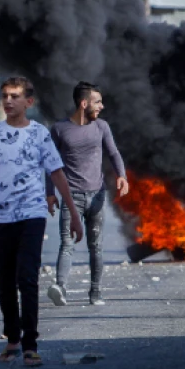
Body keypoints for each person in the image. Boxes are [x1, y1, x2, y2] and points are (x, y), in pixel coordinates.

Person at [0, 77, 83, 367]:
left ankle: (30, 344)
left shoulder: (39, 134)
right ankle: (12, 337)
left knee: (28, 278)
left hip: (32, 215)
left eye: (15, 96)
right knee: (4, 282)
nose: (9, 101)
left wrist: (73, 213)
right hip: (1, 217)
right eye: (5, 96)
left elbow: (57, 173)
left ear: (28, 102)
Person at [43, 82, 127, 307]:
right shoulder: (59, 129)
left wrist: (122, 176)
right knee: (67, 244)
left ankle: (96, 292)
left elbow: (114, 153)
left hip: (97, 196)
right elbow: (50, 164)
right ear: (83, 103)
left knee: (96, 246)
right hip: (71, 197)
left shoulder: (101, 127)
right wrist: (50, 193)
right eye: (97, 102)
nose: (102, 106)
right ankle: (60, 288)